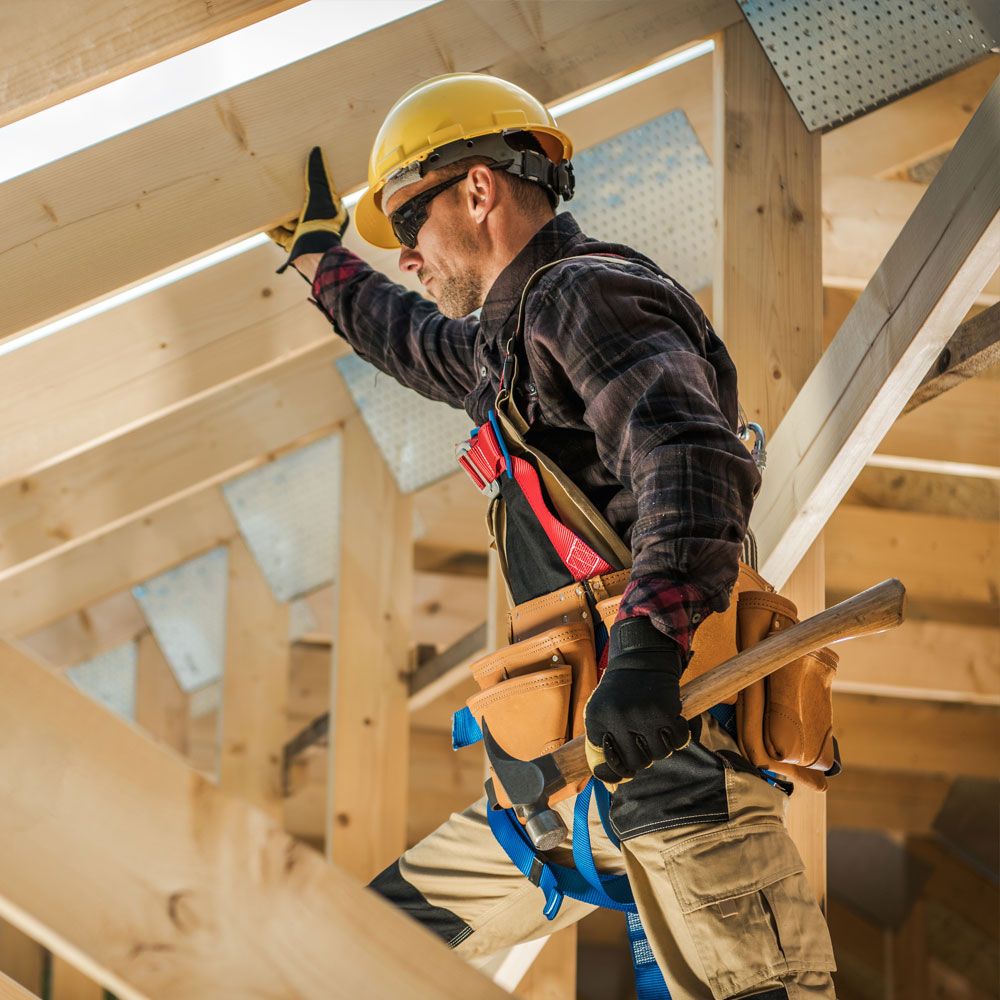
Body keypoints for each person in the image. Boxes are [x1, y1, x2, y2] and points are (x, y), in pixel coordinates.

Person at [270, 73, 836, 999]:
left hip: (677, 770)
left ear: (479, 190)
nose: (408, 257)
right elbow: (405, 338)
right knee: (346, 953)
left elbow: (689, 460)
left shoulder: (585, 296)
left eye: (410, 227)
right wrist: (319, 260)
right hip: (570, 789)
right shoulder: (509, 343)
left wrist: (649, 655)